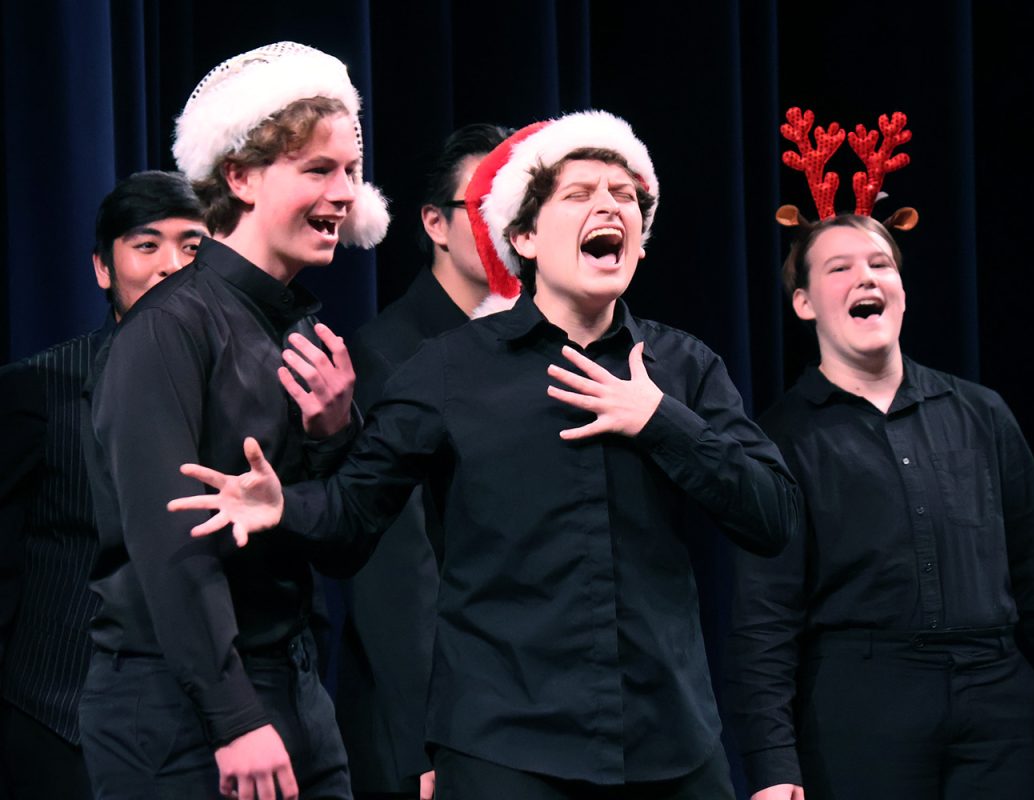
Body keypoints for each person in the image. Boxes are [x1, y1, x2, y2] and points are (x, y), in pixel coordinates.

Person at [170, 109, 798, 799]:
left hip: (671, 747)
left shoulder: (683, 369)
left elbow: (771, 516)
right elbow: (352, 526)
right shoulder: (448, 371)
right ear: (524, 237)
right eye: (581, 193)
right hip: (506, 749)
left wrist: (658, 421)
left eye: (626, 197)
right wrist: (283, 503)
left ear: (641, 243)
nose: (610, 205)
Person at [725, 107, 1034, 800]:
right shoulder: (780, 440)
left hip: (997, 705)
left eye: (881, 263)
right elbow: (763, 619)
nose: (867, 278)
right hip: (863, 711)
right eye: (840, 267)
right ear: (803, 304)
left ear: (903, 290)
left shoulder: (980, 413)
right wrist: (772, 763)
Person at [78, 42, 389, 800]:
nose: (344, 192)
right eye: (317, 170)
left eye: (350, 170)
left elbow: (345, 547)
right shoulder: (169, 329)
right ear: (240, 177)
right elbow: (171, 543)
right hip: (184, 707)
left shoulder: (297, 336)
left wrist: (334, 436)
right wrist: (233, 716)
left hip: (291, 688)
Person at [0, 171, 206, 800]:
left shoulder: (242, 390)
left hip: (205, 720)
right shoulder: (38, 387)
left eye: (193, 247)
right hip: (60, 719)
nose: (172, 265)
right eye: (147, 246)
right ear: (102, 267)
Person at [337, 122, 510, 800]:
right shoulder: (389, 354)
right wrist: (424, 739)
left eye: (520, 207)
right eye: (486, 206)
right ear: (436, 223)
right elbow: (396, 572)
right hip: (427, 720)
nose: (505, 227)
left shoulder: (540, 344)